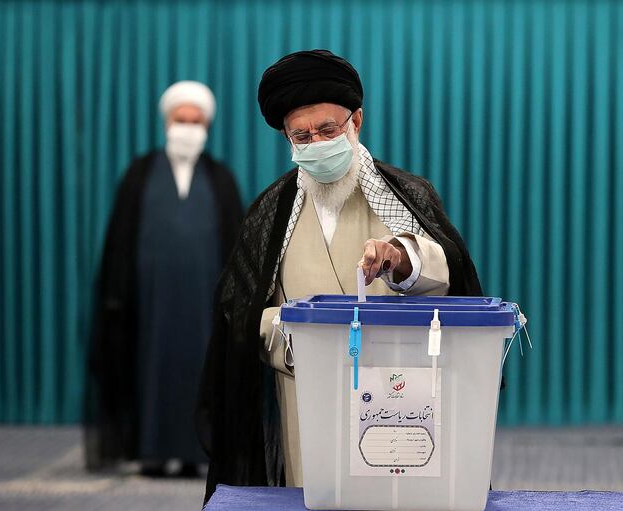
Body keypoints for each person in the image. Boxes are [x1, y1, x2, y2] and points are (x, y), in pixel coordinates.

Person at [198, 49, 482, 501]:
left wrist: (399, 259)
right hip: (305, 396)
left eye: (327, 130)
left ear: (357, 122)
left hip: (396, 394)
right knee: (314, 494)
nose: (316, 143)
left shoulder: (404, 194)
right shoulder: (272, 211)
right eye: (301, 135)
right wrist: (301, 336)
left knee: (394, 501)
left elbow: (447, 273)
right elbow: (242, 310)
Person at [85, 81, 244, 477]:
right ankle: (151, 450)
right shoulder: (139, 174)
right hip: (148, 304)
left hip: (204, 306)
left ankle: (196, 451)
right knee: (148, 368)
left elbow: (238, 245)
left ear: (206, 127)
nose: (187, 128)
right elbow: (119, 242)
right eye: (180, 120)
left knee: (200, 371)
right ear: (166, 123)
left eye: (195, 121)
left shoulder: (220, 177)